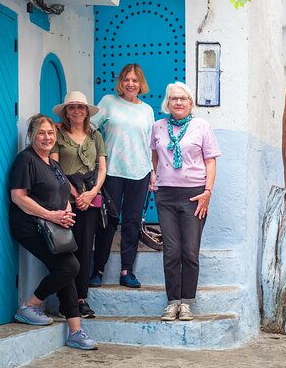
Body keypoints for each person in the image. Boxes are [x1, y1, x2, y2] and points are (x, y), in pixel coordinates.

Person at [8, 114, 98, 350]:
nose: (47, 137)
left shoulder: (54, 164)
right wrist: (50, 215)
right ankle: (30, 305)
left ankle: (75, 331)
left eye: (50, 133)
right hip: (30, 225)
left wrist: (66, 212)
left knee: (66, 269)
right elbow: (18, 197)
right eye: (41, 133)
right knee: (70, 267)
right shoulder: (26, 160)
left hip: (53, 226)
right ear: (31, 135)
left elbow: (63, 192)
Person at [150, 82, 221, 321]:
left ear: (191, 103)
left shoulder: (201, 126)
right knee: (171, 251)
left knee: (190, 251)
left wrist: (208, 192)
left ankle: (187, 302)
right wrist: (154, 177)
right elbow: (155, 155)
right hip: (166, 196)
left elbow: (210, 161)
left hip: (195, 195)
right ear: (167, 103)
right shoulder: (158, 127)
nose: (178, 102)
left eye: (183, 98)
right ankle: (173, 302)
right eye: (173, 98)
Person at [90, 64, 155, 289]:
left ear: (141, 84)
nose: (130, 84)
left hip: (140, 171)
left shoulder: (147, 110)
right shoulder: (109, 102)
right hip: (112, 170)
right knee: (108, 221)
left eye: (135, 80)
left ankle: (127, 270)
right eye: (127, 79)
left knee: (132, 222)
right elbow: (91, 127)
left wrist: (153, 172)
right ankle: (97, 269)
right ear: (121, 81)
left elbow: (149, 144)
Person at [51, 91, 106, 319]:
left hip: (89, 202)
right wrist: (75, 194)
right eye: (72, 107)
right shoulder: (57, 134)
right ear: (66, 111)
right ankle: (66, 302)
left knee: (84, 250)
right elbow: (54, 167)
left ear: (86, 112)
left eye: (80, 107)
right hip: (66, 202)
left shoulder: (95, 135)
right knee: (66, 252)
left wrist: (91, 193)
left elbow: (102, 168)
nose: (76, 111)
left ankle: (81, 299)